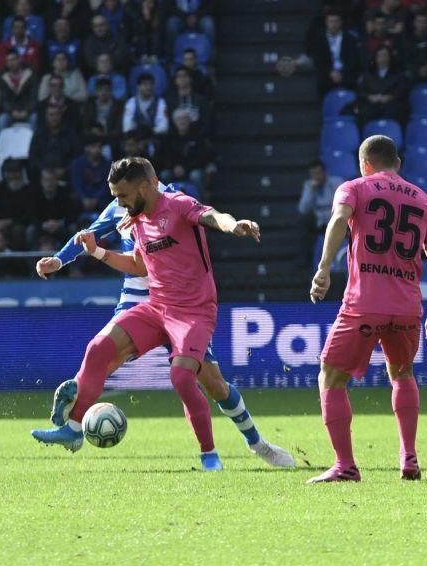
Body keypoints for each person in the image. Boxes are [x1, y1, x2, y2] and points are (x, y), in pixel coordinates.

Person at [31, 157, 295, 470]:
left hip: (192, 312)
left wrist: (232, 225)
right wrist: (91, 254)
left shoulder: (177, 202)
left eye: (122, 196)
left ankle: (245, 447)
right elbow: (136, 264)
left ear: (146, 185)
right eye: (115, 196)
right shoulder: (132, 215)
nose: (118, 203)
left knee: (203, 382)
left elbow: (211, 215)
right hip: (154, 305)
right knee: (99, 349)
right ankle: (73, 428)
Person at [307, 135, 427, 483]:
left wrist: (324, 267)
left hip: (364, 303)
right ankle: (410, 458)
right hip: (406, 307)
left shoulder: (354, 188)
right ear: (397, 164)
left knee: (331, 374)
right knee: (402, 373)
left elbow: (339, 220)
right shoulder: (425, 200)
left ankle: (345, 465)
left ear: (365, 164)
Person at [297, 160, 343, 269]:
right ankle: (306, 264)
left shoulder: (337, 182)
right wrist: (311, 192)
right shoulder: (309, 185)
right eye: (313, 174)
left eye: (318, 173)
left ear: (324, 173)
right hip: (319, 224)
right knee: (303, 221)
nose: (316, 177)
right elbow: (303, 209)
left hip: (336, 220)